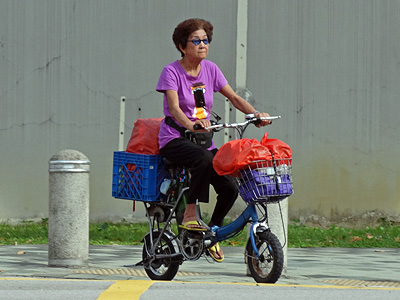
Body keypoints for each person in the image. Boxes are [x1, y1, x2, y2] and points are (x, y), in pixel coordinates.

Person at [156, 18, 271, 262]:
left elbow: (233, 97)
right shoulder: (171, 72)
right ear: (181, 45)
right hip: (175, 138)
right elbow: (175, 108)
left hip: (202, 141)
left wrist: (255, 114)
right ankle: (189, 215)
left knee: (230, 186)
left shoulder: (211, 69)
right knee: (204, 158)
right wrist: (191, 124)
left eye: (205, 41)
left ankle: (211, 234)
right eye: (195, 41)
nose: (202, 45)